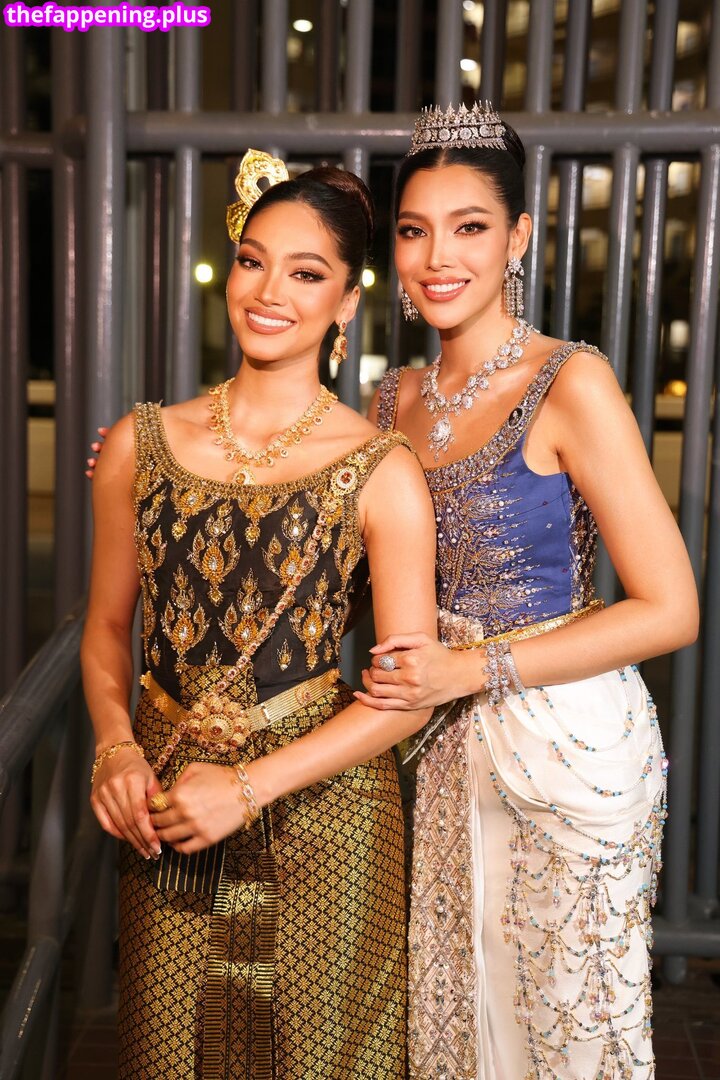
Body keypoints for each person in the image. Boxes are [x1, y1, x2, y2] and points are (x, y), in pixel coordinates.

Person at [358, 103, 699, 1080]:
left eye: (469, 227)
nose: (438, 257)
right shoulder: (389, 403)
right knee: (460, 1032)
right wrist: (162, 470)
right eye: (415, 230)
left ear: (518, 238)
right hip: (439, 745)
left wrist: (472, 669)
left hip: (566, 744)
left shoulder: (569, 382)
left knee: (566, 1039)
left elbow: (671, 608)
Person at [81, 149, 438, 1078]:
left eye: (306, 273)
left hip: (328, 820)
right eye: (252, 260)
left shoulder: (381, 469)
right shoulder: (139, 444)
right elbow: (106, 628)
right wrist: (115, 746)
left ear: (348, 302)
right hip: (166, 812)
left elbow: (409, 695)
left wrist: (247, 786)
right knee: (170, 1055)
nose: (270, 291)